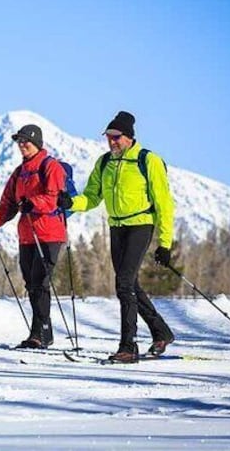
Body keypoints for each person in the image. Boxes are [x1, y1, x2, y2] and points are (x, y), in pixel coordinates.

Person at [58, 111, 175, 363]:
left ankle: (127, 346)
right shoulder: (104, 163)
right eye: (108, 138)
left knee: (123, 283)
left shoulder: (148, 160)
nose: (112, 142)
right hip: (116, 227)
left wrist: (165, 244)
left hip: (140, 224)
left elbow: (164, 203)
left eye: (116, 138)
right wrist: (71, 202)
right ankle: (161, 332)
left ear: (129, 137)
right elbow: (91, 197)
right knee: (129, 284)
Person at [0, 124, 66, 349]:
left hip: (49, 234)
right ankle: (39, 332)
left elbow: (54, 198)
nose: (21, 145)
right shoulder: (19, 172)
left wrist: (33, 203)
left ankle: (41, 333)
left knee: (40, 282)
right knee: (31, 284)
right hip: (27, 235)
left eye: (25, 141)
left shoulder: (51, 167)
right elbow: (8, 204)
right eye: (19, 141)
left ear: (36, 142)